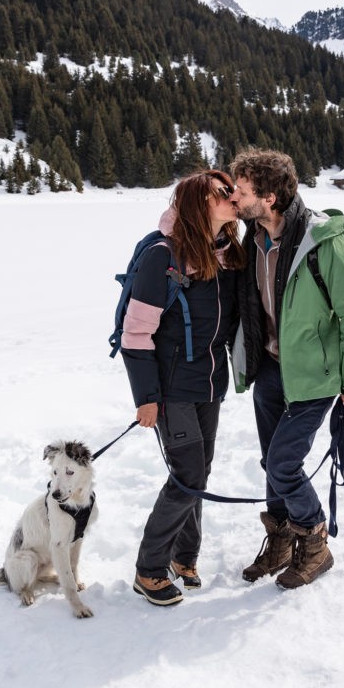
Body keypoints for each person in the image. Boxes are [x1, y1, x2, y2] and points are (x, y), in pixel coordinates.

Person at [229, 149, 344, 589]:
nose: (234, 197)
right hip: (270, 370)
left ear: (268, 198)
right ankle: (280, 542)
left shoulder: (322, 243)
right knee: (271, 460)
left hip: (315, 376)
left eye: (242, 190)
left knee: (284, 464)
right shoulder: (251, 238)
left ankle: (315, 545)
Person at [121, 170, 245, 606]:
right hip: (171, 387)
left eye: (232, 191)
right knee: (188, 474)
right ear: (199, 202)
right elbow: (136, 334)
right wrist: (147, 397)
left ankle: (183, 556)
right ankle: (148, 570)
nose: (232, 197)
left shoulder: (227, 251)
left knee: (199, 473)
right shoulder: (163, 256)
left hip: (211, 382)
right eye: (222, 192)